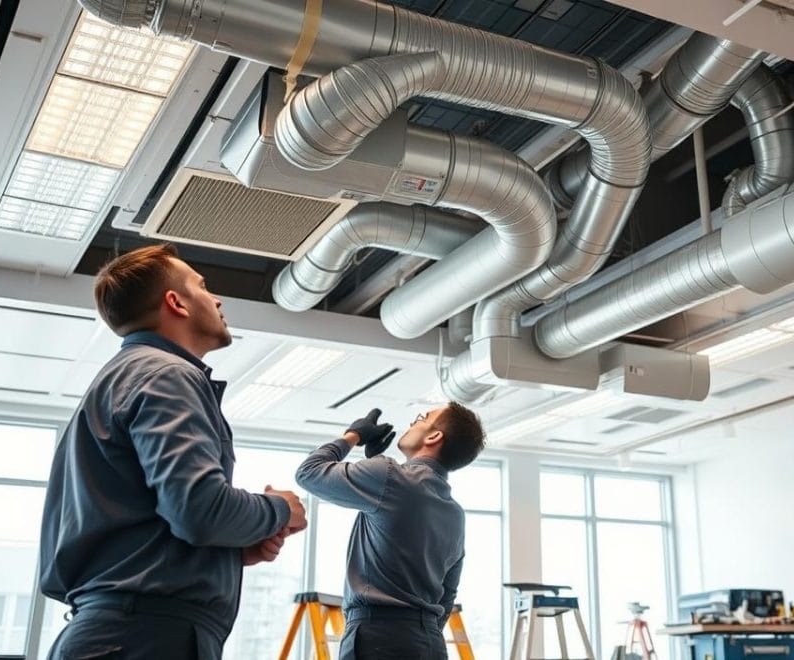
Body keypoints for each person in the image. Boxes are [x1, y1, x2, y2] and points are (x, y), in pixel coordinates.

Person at [38, 244, 308, 659]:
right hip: (143, 637)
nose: (216, 298)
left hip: (123, 632)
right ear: (176, 302)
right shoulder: (168, 375)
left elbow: (162, 517)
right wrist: (278, 509)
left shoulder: (127, 376)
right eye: (202, 286)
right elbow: (200, 511)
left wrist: (230, 551)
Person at [295, 403, 486, 660]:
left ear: (434, 436)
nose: (412, 422)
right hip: (429, 642)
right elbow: (448, 592)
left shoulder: (388, 476)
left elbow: (308, 473)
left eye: (423, 418)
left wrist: (353, 435)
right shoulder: (455, 513)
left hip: (377, 637)